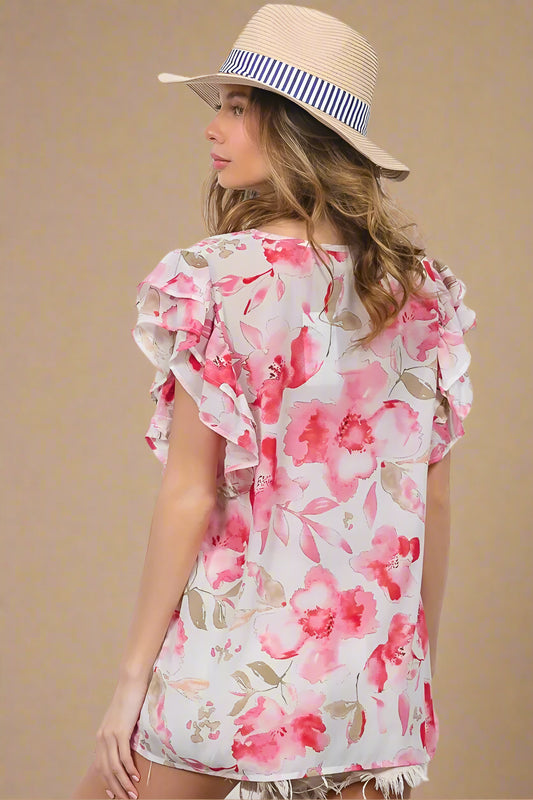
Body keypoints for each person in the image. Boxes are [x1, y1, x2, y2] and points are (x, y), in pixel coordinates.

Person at [72, 4, 476, 800]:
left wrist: (130, 684)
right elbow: (430, 499)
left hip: (231, 654)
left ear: (290, 125)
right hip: (365, 674)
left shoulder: (217, 280)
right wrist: (406, 668)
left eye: (233, 105)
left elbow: (189, 491)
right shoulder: (424, 296)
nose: (211, 127)